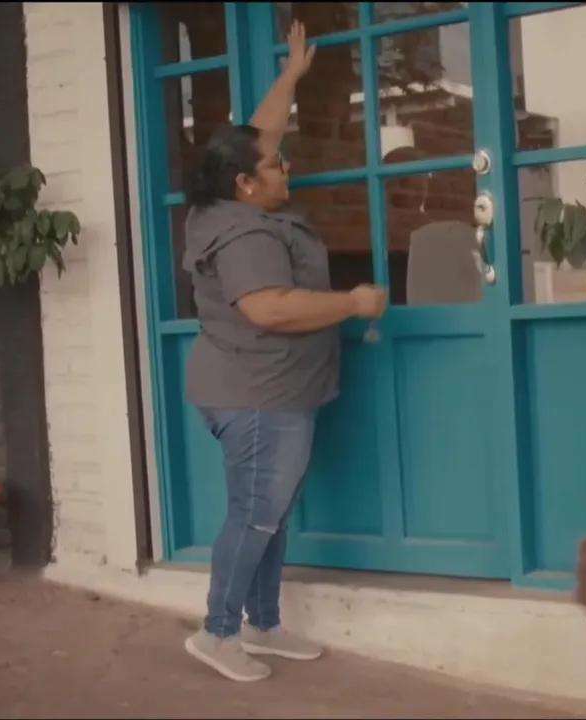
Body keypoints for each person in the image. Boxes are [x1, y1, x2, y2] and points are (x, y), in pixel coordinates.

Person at [178, 20, 388, 682]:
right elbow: (267, 308)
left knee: (268, 513)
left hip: (268, 390)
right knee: (256, 514)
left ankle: (262, 623)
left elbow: (259, 136)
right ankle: (217, 632)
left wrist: (292, 75)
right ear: (245, 184)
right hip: (255, 395)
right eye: (276, 165)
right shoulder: (245, 235)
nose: (285, 164)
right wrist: (353, 303)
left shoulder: (225, 199)